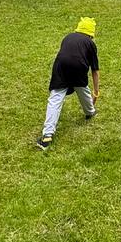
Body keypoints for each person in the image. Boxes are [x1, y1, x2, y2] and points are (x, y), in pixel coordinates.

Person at [37, 17, 100, 150]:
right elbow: (95, 70)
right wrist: (96, 91)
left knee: (55, 98)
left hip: (60, 66)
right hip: (79, 67)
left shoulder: (68, 37)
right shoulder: (90, 43)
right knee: (83, 89)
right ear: (91, 34)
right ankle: (90, 111)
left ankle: (47, 135)